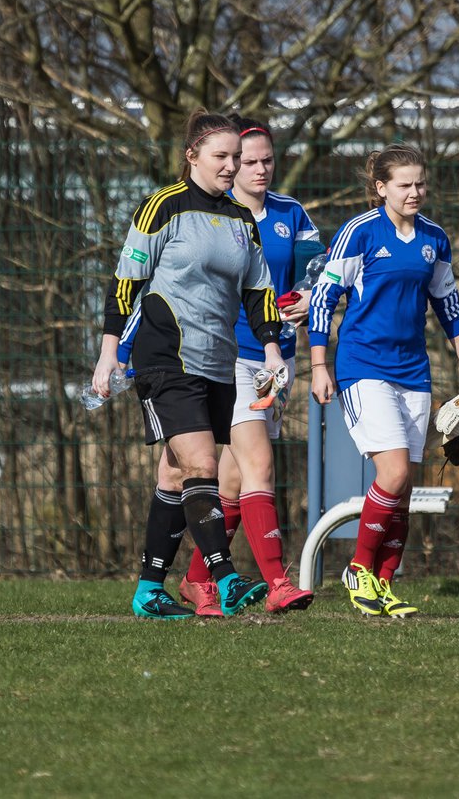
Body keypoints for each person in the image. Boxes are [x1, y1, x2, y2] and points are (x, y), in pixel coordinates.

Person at [118, 115, 323, 616]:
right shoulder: (168, 208)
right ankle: (249, 579)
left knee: (186, 476)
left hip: (244, 359)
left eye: (259, 160)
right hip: (187, 358)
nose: (247, 168)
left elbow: (294, 283)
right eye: (234, 159)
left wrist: (297, 316)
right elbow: (131, 280)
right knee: (226, 465)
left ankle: (165, 587)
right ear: (195, 156)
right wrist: (115, 352)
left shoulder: (275, 216)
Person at [308, 144, 459, 618]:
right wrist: (320, 364)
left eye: (420, 183)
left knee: (402, 486)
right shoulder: (359, 233)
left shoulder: (434, 237)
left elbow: (448, 303)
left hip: (413, 371)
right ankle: (359, 568)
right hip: (363, 366)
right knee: (395, 473)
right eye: (404, 184)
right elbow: (324, 298)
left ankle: (383, 584)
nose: (415, 192)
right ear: (380, 187)